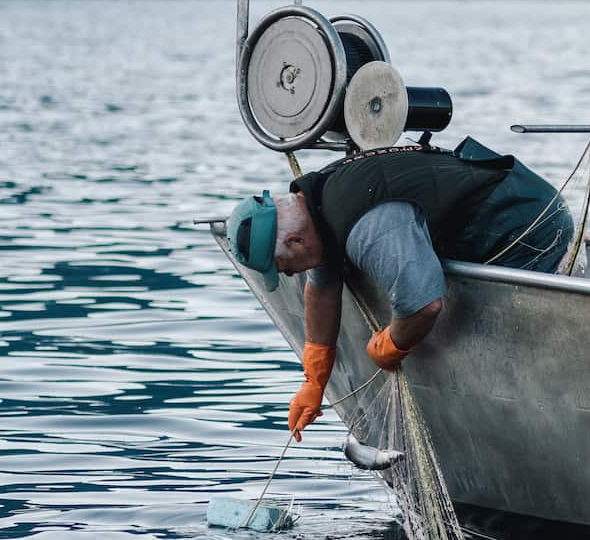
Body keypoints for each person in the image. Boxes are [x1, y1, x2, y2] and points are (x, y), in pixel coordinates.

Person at [227, 136, 572, 441]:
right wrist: (314, 379)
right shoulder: (314, 206)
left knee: (500, 346)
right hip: (475, 217)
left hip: (527, 219)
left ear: (295, 241)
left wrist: (391, 345)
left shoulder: (369, 228)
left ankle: (532, 429)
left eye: (282, 266)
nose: (288, 274)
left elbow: (423, 306)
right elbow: (321, 287)